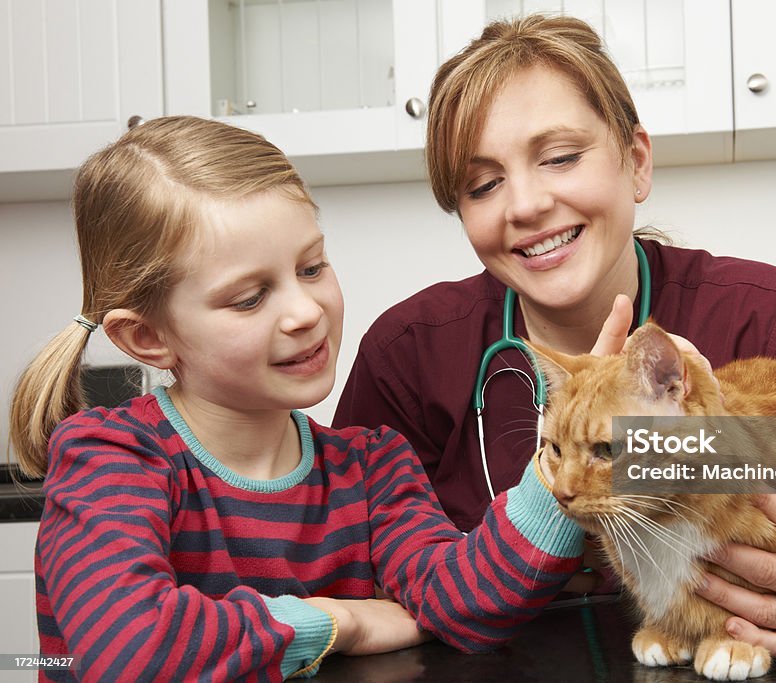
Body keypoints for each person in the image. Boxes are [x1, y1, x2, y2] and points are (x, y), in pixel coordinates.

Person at [335, 14, 776, 657]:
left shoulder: (762, 316)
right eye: (482, 185)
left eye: (561, 156)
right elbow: (344, 574)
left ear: (635, 161)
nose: (525, 204)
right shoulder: (411, 355)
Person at [8, 116, 585, 682]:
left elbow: (460, 602)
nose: (307, 312)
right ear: (148, 337)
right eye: (249, 298)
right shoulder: (110, 456)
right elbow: (129, 653)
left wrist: (583, 450)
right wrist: (339, 621)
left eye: (312, 267)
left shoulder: (372, 465)